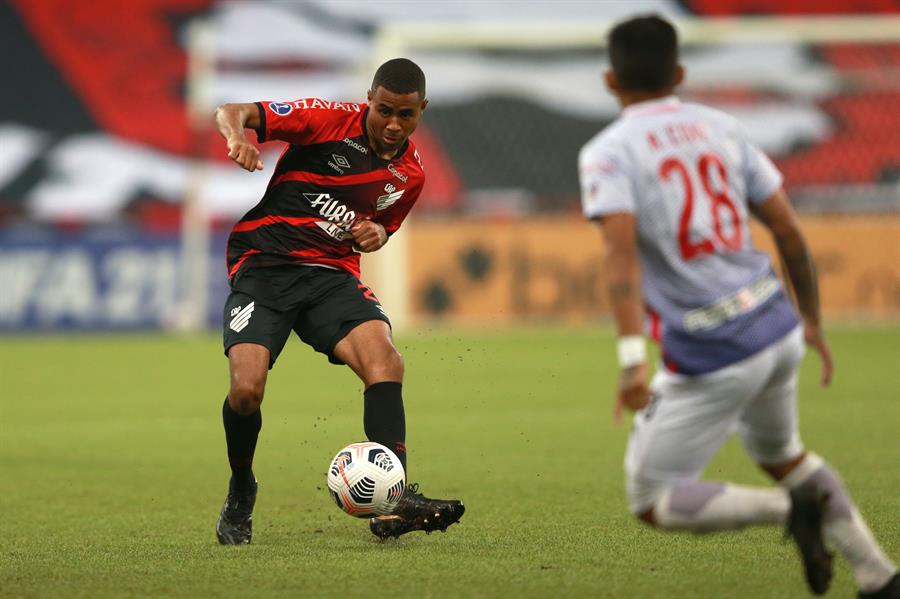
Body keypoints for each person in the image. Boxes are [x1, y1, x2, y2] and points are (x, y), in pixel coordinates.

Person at [578, 15, 898, 598]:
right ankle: (880, 576)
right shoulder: (721, 127)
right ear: (678, 73)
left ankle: (790, 511)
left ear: (609, 80)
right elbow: (788, 231)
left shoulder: (609, 152)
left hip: (713, 346)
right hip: (777, 325)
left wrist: (631, 361)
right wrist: (812, 320)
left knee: (654, 499)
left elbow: (619, 260)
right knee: (784, 453)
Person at [213, 58, 464, 544]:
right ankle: (242, 486)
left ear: (422, 110)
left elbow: (379, 228)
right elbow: (232, 109)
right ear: (369, 97)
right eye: (384, 110)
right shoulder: (325, 119)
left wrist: (377, 234)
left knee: (386, 361)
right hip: (265, 267)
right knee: (246, 392)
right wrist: (237, 138)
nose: (393, 125)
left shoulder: (410, 176)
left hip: (330, 276)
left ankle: (394, 502)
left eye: (406, 115)